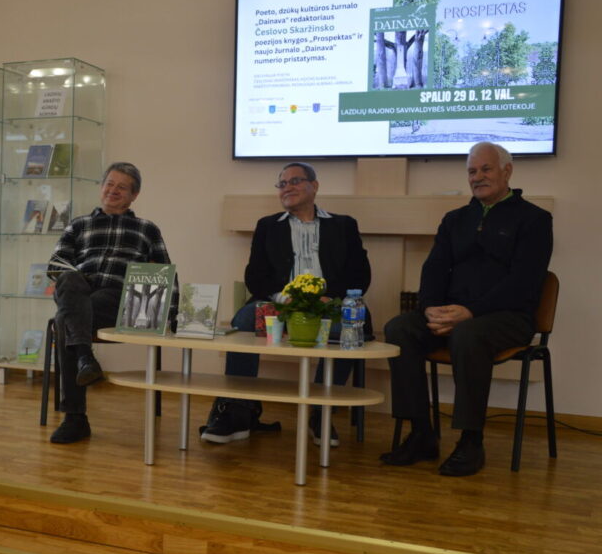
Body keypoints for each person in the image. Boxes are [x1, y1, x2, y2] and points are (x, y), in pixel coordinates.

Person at [380, 142, 552, 477]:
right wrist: (431, 309)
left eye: (486, 169)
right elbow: (434, 270)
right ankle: (421, 433)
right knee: (399, 329)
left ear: (507, 171)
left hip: (509, 317)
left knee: (468, 335)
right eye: (472, 171)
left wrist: (470, 312)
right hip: (452, 314)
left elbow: (524, 282)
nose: (477, 177)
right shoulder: (455, 220)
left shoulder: (535, 219)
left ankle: (471, 441)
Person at [200, 162, 371, 445]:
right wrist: (282, 297)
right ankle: (237, 412)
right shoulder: (268, 226)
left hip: (327, 304)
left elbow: (360, 274)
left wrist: (331, 297)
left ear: (314, 186)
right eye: (282, 184)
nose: (287, 188)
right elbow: (255, 276)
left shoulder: (343, 225)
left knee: (349, 326)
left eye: (295, 181)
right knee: (243, 321)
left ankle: (320, 412)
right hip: (278, 304)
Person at [47, 162, 175, 444]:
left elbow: (165, 272)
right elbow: (56, 265)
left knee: (64, 320)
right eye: (110, 184)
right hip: (79, 290)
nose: (113, 190)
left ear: (134, 195)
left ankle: (75, 418)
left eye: (122, 187)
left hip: (119, 297)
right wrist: (76, 278)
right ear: (101, 186)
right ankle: (85, 357)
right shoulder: (78, 225)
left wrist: (174, 313)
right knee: (68, 281)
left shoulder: (146, 229)